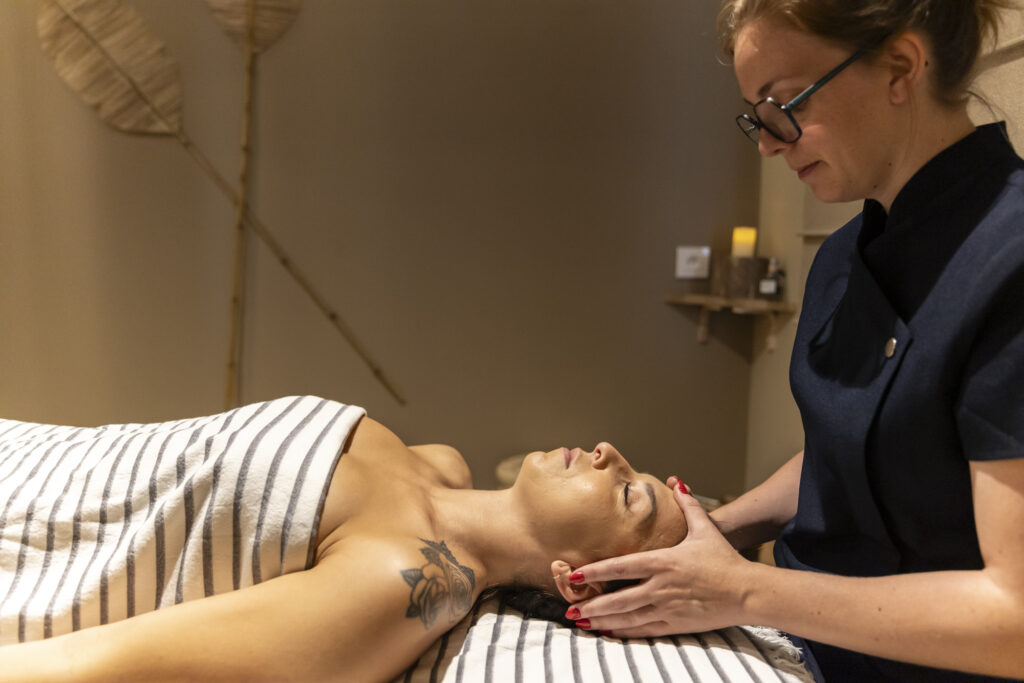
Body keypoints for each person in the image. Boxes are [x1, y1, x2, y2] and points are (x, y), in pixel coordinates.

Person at [564, 1, 1024, 680]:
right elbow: (853, 452)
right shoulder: (843, 258)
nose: (768, 144)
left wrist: (741, 589)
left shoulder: (1009, 259)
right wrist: (709, 534)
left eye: (784, 105)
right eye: (757, 116)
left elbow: (1013, 620)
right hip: (794, 638)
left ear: (901, 68)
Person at [0, 395, 687, 681]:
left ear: (576, 578)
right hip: (28, 453)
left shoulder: (408, 584)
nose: (609, 452)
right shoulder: (442, 465)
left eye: (630, 492)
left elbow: (110, 663)